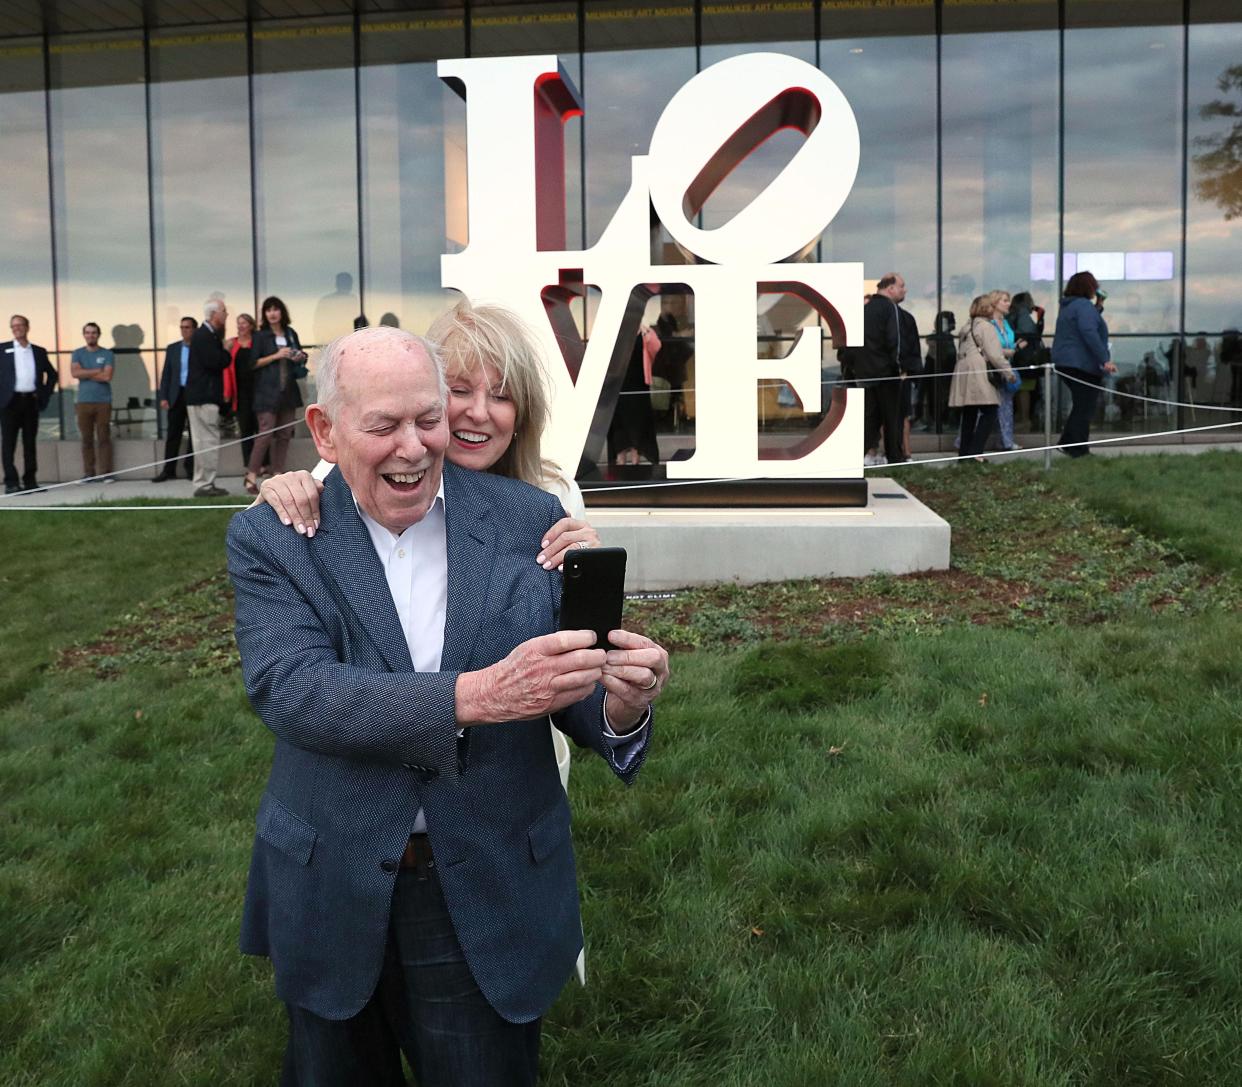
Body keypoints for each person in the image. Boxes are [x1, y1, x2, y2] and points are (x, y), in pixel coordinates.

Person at [226, 325, 668, 1086]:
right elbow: (295, 690)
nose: (414, 446)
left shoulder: (528, 519)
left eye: (426, 419)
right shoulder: (275, 533)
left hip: (480, 885)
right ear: (325, 432)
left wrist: (622, 705)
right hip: (331, 880)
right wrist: (478, 695)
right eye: (384, 425)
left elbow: (568, 689)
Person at [256, 299, 600, 798]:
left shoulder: (553, 498)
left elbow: (578, 651)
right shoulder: (339, 487)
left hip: (510, 781)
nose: (478, 412)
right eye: (459, 391)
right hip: (367, 790)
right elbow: (293, 676)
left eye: (502, 396)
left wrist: (586, 573)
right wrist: (282, 489)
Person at [1051, 271, 1116, 458]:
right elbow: (1089, 332)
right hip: (1081, 364)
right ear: (1088, 287)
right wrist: (1105, 360)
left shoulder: (1070, 306)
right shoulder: (1083, 306)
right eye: (1094, 285)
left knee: (1081, 405)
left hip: (1066, 362)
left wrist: (1098, 307)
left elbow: (1082, 324)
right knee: (1085, 407)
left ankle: (1070, 443)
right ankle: (1076, 448)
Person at [244, 296, 305, 495]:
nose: (272, 313)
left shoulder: (290, 333)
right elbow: (252, 363)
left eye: (275, 309)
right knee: (265, 433)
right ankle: (251, 476)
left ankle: (277, 474)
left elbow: (300, 357)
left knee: (285, 434)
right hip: (266, 393)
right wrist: (276, 356)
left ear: (281, 312)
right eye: (268, 310)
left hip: (288, 392)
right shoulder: (261, 336)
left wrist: (299, 356)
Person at [949, 294, 1016, 459]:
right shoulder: (986, 327)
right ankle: (976, 451)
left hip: (964, 370)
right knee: (990, 410)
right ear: (987, 309)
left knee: (970, 413)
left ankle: (964, 453)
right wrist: (1009, 373)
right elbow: (995, 355)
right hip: (979, 371)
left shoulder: (966, 327)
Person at [1, 315, 58, 495]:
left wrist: (44, 394)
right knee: (8, 443)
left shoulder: (39, 351)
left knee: (29, 443)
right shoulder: (2, 350)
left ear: (27, 327)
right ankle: (11, 482)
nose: (17, 328)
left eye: (20, 325)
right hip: (9, 403)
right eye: (13, 326)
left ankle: (30, 481)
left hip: (30, 402)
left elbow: (52, 374)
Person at [857, 273, 906, 466]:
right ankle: (895, 458)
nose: (904, 290)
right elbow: (895, 341)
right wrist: (900, 368)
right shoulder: (889, 308)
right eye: (901, 286)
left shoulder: (865, 310)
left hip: (865, 372)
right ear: (890, 288)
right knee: (892, 418)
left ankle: (862, 454)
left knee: (870, 417)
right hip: (886, 373)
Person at [186, 299, 231, 496]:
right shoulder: (205, 336)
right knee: (207, 441)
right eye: (224, 311)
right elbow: (216, 362)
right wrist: (226, 350)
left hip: (200, 397)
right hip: (204, 397)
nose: (226, 314)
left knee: (203, 441)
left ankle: (203, 483)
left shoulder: (205, 335)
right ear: (214, 314)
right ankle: (205, 485)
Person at [70, 321, 115, 482]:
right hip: (83, 401)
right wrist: (97, 370)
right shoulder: (77, 353)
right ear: (84, 335)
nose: (91, 335)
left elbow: (107, 376)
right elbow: (74, 373)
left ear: (98, 334)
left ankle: (106, 473)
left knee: (104, 437)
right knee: (86, 438)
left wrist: (84, 372)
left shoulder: (107, 354)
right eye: (88, 332)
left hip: (103, 401)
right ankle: (89, 473)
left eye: (94, 332)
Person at [154, 316, 197, 482]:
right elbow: (166, 374)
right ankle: (168, 469)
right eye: (182, 327)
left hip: (194, 395)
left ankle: (190, 469)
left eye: (187, 327)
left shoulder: (200, 348)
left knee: (194, 435)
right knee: (173, 434)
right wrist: (164, 396)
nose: (184, 330)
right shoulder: (173, 348)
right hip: (176, 394)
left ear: (194, 329)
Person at [226, 313, 258, 469]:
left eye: (244, 323)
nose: (241, 326)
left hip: (258, 392)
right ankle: (249, 465)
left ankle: (262, 464)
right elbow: (226, 368)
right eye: (238, 323)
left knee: (261, 429)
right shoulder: (232, 343)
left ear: (251, 325)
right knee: (245, 429)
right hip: (240, 393)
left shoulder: (258, 342)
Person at [988, 290, 1018, 451]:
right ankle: (966, 440)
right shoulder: (988, 324)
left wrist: (1015, 347)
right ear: (994, 303)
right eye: (1004, 301)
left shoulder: (1005, 323)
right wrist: (1006, 351)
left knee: (1006, 406)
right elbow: (990, 347)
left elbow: (1008, 342)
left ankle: (1005, 440)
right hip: (992, 369)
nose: (1008, 304)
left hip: (1005, 367)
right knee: (984, 407)